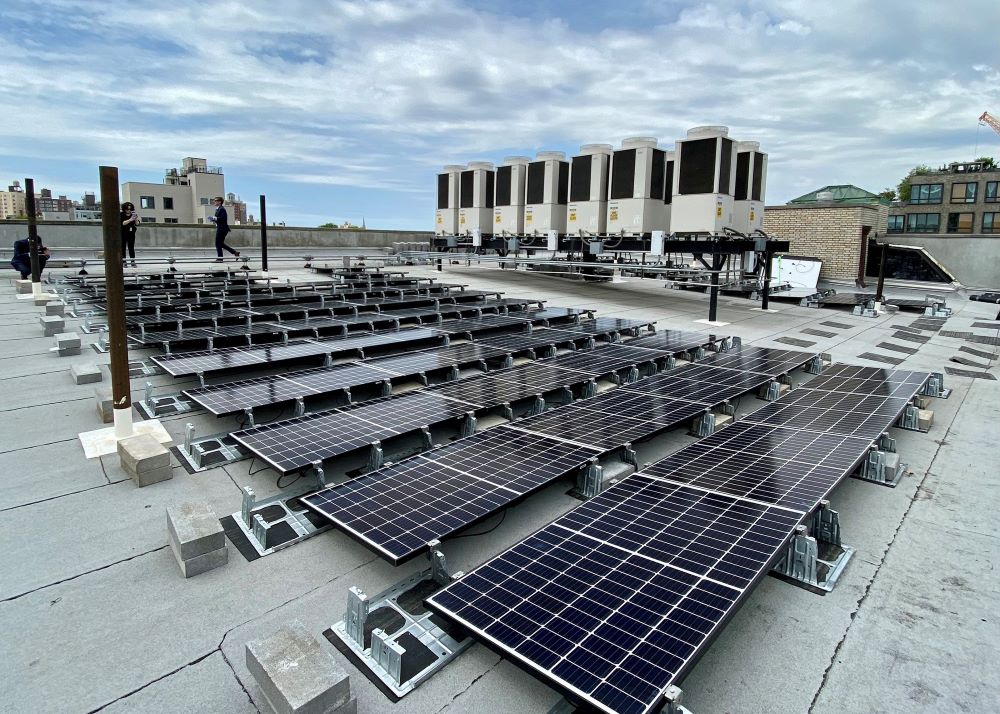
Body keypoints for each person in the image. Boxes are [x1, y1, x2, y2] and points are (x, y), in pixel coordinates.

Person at [209, 196, 240, 262]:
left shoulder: (222, 209)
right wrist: (213, 220)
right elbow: (219, 219)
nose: (214, 202)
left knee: (218, 243)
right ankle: (235, 252)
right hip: (221, 228)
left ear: (219, 202)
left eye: (215, 200)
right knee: (221, 244)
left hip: (222, 229)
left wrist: (215, 218)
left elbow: (223, 219)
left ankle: (220, 258)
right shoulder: (218, 209)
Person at [120, 201, 139, 267]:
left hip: (131, 233)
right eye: (127, 209)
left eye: (130, 209)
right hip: (123, 233)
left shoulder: (133, 214)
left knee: (131, 247)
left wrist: (135, 219)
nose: (129, 210)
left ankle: (133, 261)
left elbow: (137, 224)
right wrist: (130, 219)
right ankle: (124, 262)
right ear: (124, 209)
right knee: (123, 248)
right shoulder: (121, 214)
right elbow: (123, 223)